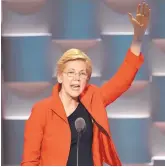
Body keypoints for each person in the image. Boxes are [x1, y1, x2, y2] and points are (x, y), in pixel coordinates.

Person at [21, 2, 150, 166]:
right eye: (71, 73)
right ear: (60, 77)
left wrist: (137, 40)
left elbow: (122, 81)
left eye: (82, 74)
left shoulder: (93, 99)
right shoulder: (41, 111)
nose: (76, 78)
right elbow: (29, 162)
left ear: (87, 80)